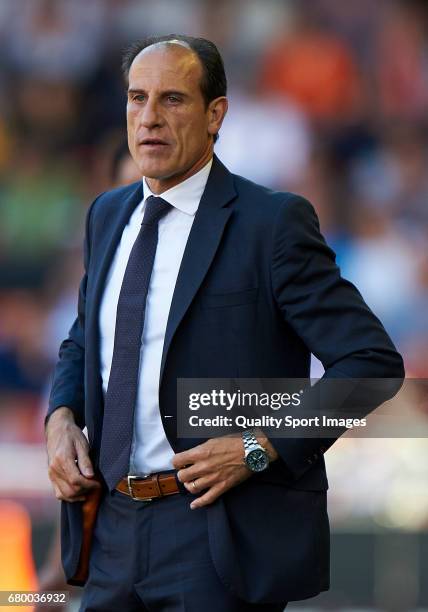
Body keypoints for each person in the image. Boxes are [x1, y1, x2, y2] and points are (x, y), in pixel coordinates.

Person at [45, 34, 404, 611]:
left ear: (216, 115)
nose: (150, 118)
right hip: (111, 530)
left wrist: (259, 447)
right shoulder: (107, 214)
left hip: (216, 536)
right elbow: (86, 338)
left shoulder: (272, 223)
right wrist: (61, 415)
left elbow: (372, 366)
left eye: (173, 100)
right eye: (137, 99)